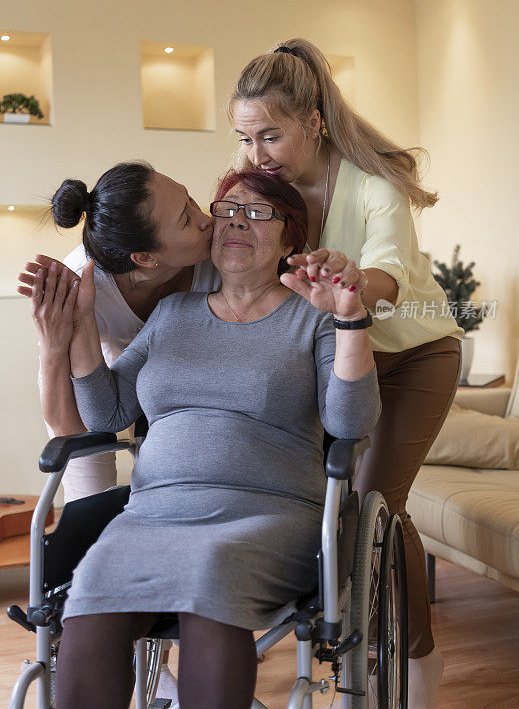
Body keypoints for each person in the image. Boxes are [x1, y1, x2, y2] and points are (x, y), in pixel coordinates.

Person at [31, 168, 380, 709]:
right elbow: (108, 412)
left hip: (265, 514)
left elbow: (352, 424)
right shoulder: (173, 314)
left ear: (292, 238)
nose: (237, 219)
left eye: (258, 211)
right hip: (152, 514)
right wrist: (77, 327)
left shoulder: (314, 319)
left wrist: (352, 318)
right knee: (94, 581)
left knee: (212, 566)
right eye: (227, 208)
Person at [229, 39, 464, 709]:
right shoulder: (256, 179)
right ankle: (349, 650)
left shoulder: (371, 182)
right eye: (245, 137)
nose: (256, 154)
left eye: (270, 135)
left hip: (416, 354)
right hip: (341, 360)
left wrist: (354, 279)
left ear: (312, 121)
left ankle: (413, 661)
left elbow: (387, 271)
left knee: (375, 506)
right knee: (324, 504)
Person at [18, 159, 218, 701]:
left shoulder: (213, 263)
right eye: (186, 217)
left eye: (192, 200)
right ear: (146, 257)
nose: (206, 219)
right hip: (102, 379)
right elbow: (70, 426)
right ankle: (96, 622)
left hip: (187, 381)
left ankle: (164, 646)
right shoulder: (82, 280)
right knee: (92, 495)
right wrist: (62, 336)